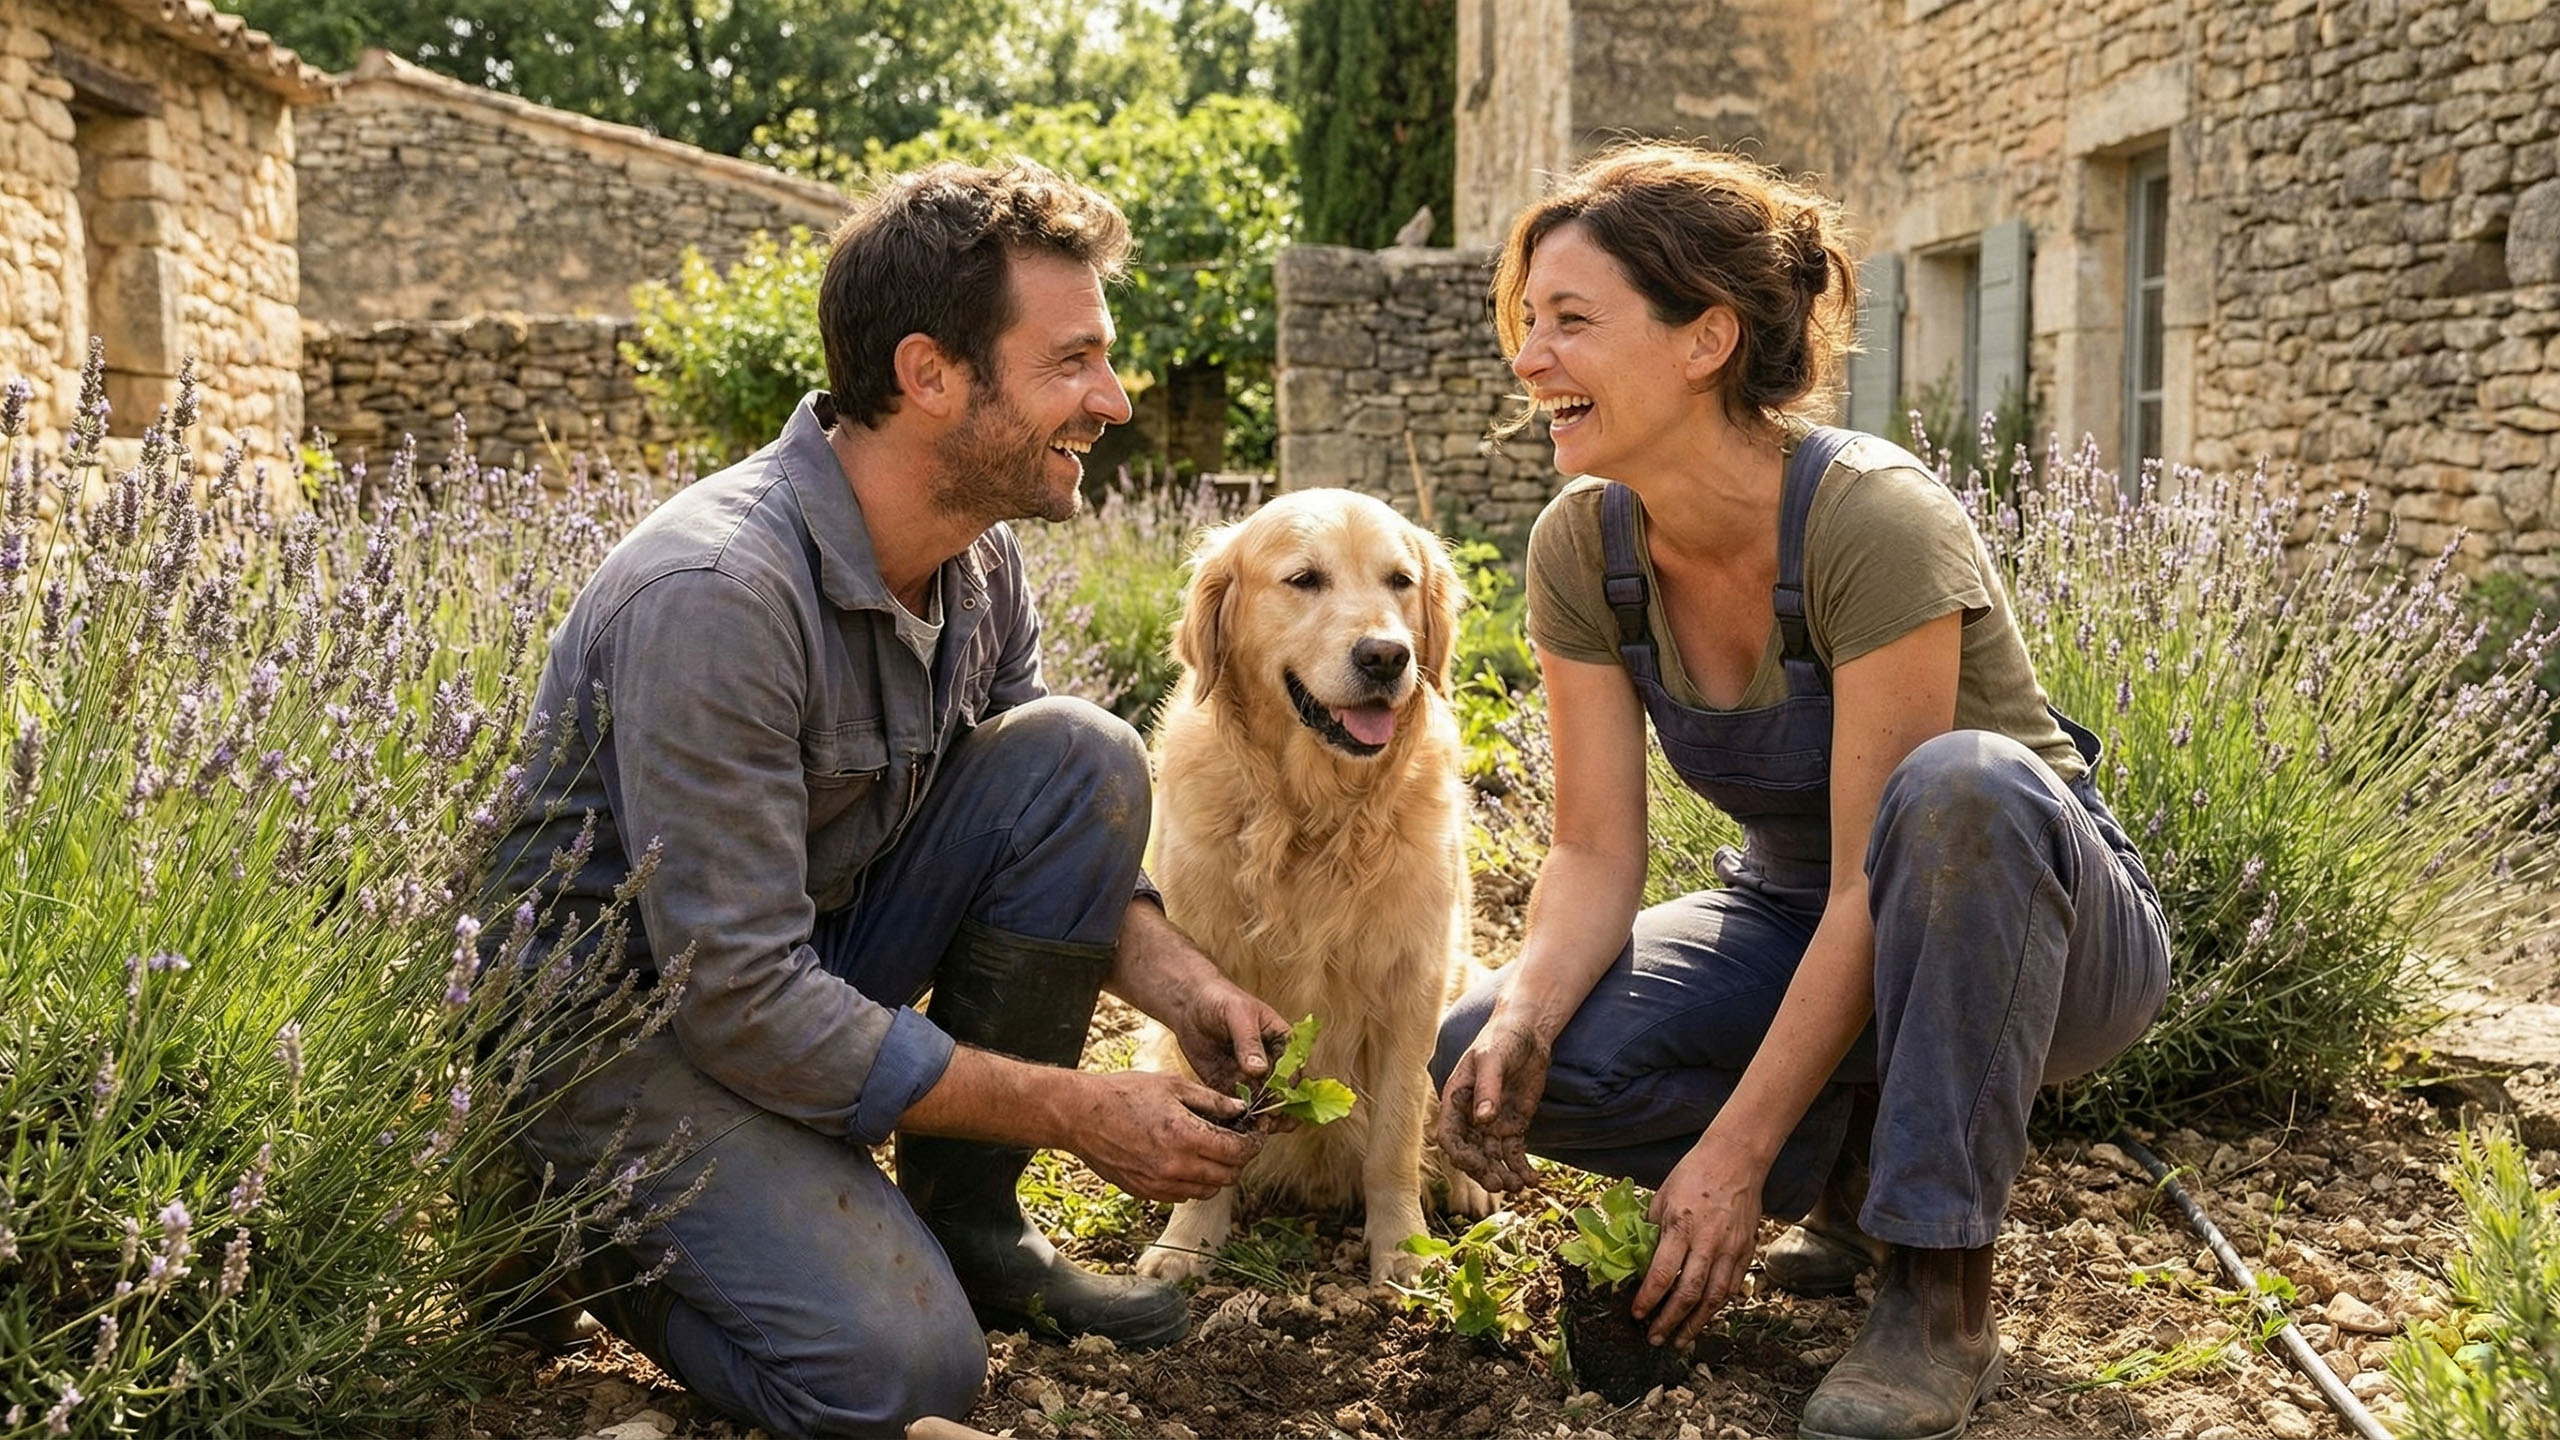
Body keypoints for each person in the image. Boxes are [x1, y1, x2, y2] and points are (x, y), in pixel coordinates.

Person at [483, 161, 1289, 1440]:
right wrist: (1078, 1110)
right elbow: (738, 999)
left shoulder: (977, 557)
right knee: (896, 1375)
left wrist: (1187, 990)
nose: (1114, 400)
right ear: (929, 375)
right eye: (1071, 362)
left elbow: (1025, 833)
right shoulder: (717, 594)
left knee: (1076, 753)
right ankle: (570, 1233)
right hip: (615, 1037)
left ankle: (971, 1230)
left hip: (787, 969)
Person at [1430, 142, 2172, 1440]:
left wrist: (1729, 1153)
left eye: (1571, 323)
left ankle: (1940, 1290)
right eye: (1527, 323)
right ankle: (1859, 1174)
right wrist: (1524, 1019)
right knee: (1496, 1052)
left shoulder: (1871, 517)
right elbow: (1596, 854)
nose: (1530, 359)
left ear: (1705, 337)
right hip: (1795, 913)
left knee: (1962, 786)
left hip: (2033, 930)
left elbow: (1874, 880)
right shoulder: (1584, 549)